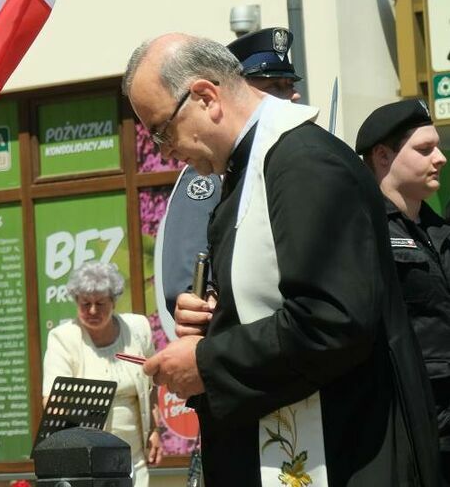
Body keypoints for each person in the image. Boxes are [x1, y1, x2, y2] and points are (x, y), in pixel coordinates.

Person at [125, 33, 440, 486]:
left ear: (205, 97)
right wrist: (213, 316)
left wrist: (208, 361)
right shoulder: (248, 172)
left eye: (161, 129)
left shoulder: (303, 163)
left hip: (345, 452)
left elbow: (332, 319)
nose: (162, 150)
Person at [155, 27, 302, 330]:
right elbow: (185, 285)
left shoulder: (297, 158)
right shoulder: (208, 170)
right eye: (275, 87)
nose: (292, 96)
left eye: (289, 85)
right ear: (240, 91)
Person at [357, 99, 450, 478]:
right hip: (411, 418)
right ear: (382, 156)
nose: (441, 158)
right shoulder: (365, 229)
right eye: (425, 149)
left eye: (438, 146)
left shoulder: (439, 230)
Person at [41, 263, 161, 487]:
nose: (93, 311)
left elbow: (152, 384)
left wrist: (155, 430)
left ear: (114, 301)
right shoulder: (63, 338)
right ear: (76, 302)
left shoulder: (138, 328)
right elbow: (51, 401)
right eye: (85, 304)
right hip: (89, 464)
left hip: (134, 459)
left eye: (100, 303)